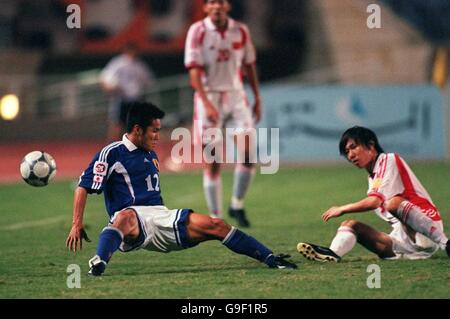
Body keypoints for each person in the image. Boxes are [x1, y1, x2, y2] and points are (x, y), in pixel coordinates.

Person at [66, 101, 296, 276]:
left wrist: (268, 256)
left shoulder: (150, 153)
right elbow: (83, 186)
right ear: (137, 129)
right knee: (125, 216)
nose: (158, 136)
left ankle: (269, 257)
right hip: (131, 221)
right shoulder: (112, 152)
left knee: (217, 225)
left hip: (161, 216)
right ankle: (99, 261)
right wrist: (77, 223)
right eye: (154, 130)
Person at [297, 126, 450, 262]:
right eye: (347, 152)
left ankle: (445, 243)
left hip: (426, 231)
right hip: (403, 240)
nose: (350, 155)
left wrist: (342, 208)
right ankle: (332, 254)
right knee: (350, 225)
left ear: (371, 146)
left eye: (353, 147)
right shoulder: (373, 178)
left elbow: (375, 202)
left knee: (393, 203)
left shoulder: (388, 160)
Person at [184, 0, 262, 227]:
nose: (216, 5)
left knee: (248, 156)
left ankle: (237, 204)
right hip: (209, 97)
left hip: (237, 98)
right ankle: (216, 217)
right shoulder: (197, 31)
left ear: (227, 6)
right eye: (211, 2)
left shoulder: (241, 30)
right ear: (206, 8)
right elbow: (194, 73)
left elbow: (249, 65)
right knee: (214, 161)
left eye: (220, 1)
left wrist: (257, 96)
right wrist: (207, 103)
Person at [99, 43, 155, 142]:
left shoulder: (139, 66)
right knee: (117, 124)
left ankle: (134, 148)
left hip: (136, 99)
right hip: (121, 98)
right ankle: (112, 148)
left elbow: (148, 81)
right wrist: (109, 87)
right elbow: (104, 78)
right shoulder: (117, 63)